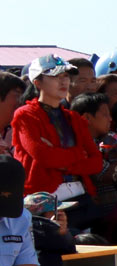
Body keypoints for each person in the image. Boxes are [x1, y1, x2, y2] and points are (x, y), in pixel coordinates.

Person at [12, 56, 103, 219]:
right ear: (37, 83)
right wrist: (78, 154)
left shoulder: (74, 118)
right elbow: (43, 155)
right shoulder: (25, 115)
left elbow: (96, 162)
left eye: (66, 76)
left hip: (80, 194)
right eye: (55, 76)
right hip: (43, 198)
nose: (63, 81)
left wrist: (62, 163)